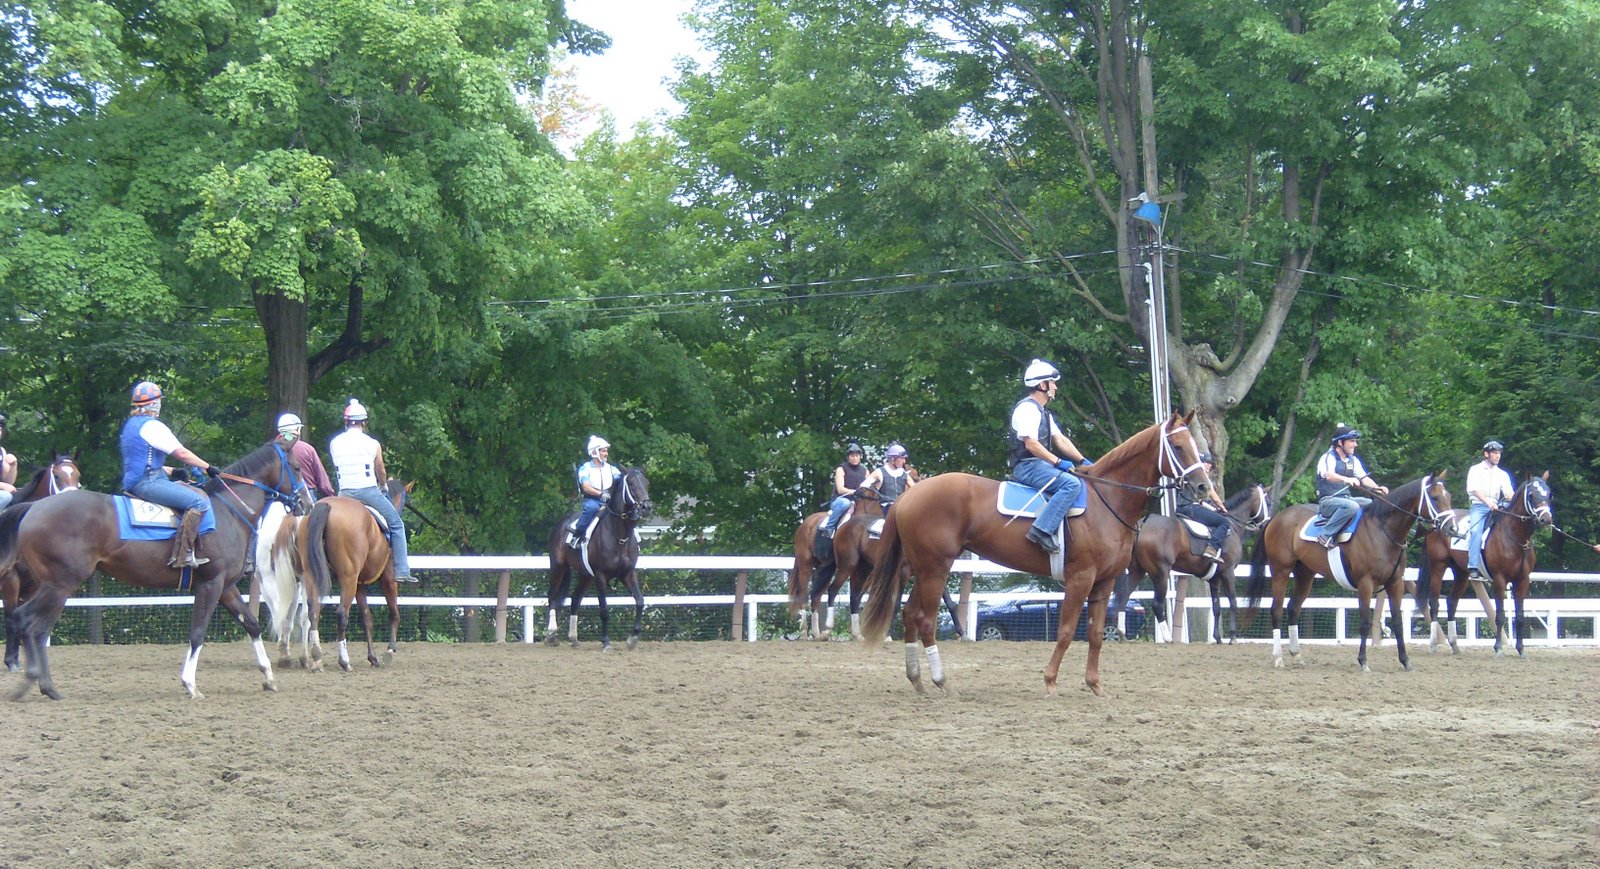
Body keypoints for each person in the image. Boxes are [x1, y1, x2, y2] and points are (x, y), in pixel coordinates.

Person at [119, 381, 219, 567]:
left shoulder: (130, 425)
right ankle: (184, 555)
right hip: (149, 483)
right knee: (198, 502)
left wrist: (173, 471)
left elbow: (140, 461)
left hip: (140, 480)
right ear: (154, 404)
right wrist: (208, 467)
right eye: (159, 402)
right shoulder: (152, 426)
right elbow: (181, 453)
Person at [1009, 358, 1093, 554]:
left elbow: (1061, 440)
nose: (1055, 387)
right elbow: (1031, 444)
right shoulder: (1027, 409)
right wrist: (1057, 461)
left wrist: (1083, 461)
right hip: (1027, 466)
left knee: (1078, 478)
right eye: (1053, 383)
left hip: (1039, 465)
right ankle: (1041, 530)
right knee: (1071, 484)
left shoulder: (1044, 413)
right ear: (1042, 385)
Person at [328, 398, 413, 582]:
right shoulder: (372, 443)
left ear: (346, 422)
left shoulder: (334, 443)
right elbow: (380, 470)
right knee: (397, 525)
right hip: (368, 491)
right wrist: (383, 486)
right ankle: (401, 570)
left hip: (344, 493)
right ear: (364, 423)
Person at [1313, 424, 1388, 548]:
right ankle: (1325, 535)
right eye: (1352, 441)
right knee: (1351, 506)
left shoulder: (1353, 460)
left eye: (1355, 441)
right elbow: (1329, 475)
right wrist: (1347, 479)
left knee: (1371, 504)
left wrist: (1377, 488)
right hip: (1328, 501)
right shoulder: (1328, 457)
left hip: (1347, 499)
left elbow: (1364, 478)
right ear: (1340, 443)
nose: (1355, 445)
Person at [1465, 440, 1515, 581]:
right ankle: (1473, 566)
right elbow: (1474, 490)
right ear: (1486, 454)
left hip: (1497, 507)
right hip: (1480, 506)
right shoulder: (1475, 470)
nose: (1498, 456)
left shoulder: (1502, 474)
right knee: (1475, 531)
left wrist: (1515, 500)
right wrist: (1488, 502)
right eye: (1495, 453)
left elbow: (1509, 493)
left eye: (1499, 453)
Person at [1177, 451, 1230, 563]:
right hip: (1191, 508)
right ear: (1199, 463)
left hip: (1180, 508)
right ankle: (1211, 548)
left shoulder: (1188, 474)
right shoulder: (1202, 477)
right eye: (1206, 462)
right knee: (1224, 523)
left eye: (1210, 463)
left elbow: (1200, 501)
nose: (1209, 465)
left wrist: (1213, 509)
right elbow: (1215, 498)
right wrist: (1223, 508)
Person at [273, 412, 336, 506]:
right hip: (306, 495)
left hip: (280, 497)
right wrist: (330, 495)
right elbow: (322, 480)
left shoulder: (272, 450)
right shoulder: (307, 449)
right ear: (297, 429)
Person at [571, 435, 619, 547]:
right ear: (595, 452)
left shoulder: (612, 469)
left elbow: (620, 482)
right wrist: (601, 494)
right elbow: (586, 487)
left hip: (610, 501)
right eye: (603, 451)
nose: (606, 454)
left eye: (606, 451)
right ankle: (577, 535)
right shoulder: (585, 468)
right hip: (593, 500)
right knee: (591, 508)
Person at [820, 442, 868, 538]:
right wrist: (854, 492)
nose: (855, 458)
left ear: (860, 457)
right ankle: (829, 528)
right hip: (841, 500)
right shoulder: (841, 469)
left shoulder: (865, 471)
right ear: (848, 457)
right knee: (845, 503)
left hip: (858, 500)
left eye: (857, 456)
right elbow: (840, 489)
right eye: (852, 456)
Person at [860, 442, 917, 512]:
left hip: (900, 507)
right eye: (902, 458)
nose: (904, 461)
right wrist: (870, 487)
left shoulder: (904, 474)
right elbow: (864, 485)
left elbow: (915, 489)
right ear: (893, 459)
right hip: (885, 508)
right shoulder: (879, 472)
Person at [0, 412, 16, 511]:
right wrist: (3, 486)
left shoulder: (1, 451)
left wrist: (13, 465)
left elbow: (9, 482)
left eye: (0, 429)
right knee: (5, 497)